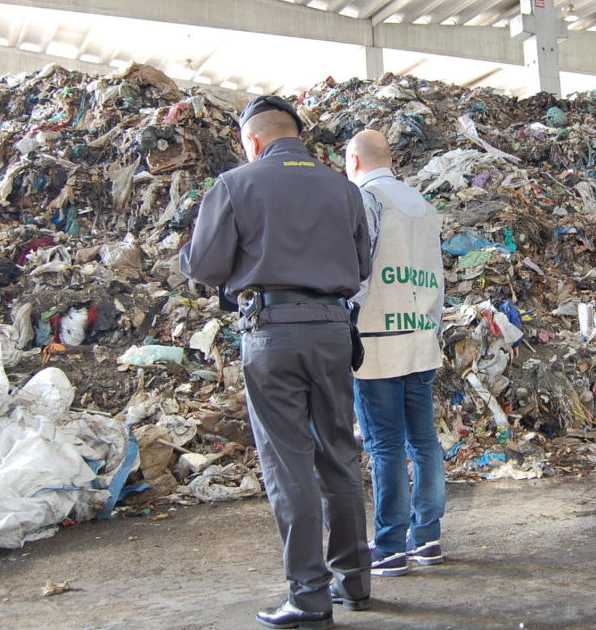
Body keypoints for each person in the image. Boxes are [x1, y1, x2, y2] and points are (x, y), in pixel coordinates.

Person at [179, 95, 372, 630]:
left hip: (272, 332)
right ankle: (354, 582)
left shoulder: (237, 184)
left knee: (288, 462)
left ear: (254, 140)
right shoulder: (343, 187)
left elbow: (205, 265)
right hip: (334, 330)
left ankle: (309, 598)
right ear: (297, 136)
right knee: (338, 452)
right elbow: (361, 264)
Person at [344, 130, 447, 577]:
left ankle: (388, 545)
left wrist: (343, 318)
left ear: (353, 161)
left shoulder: (365, 200)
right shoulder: (423, 206)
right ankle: (427, 537)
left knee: (385, 446)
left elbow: (357, 271)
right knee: (423, 442)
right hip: (421, 339)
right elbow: (438, 279)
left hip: (377, 344)